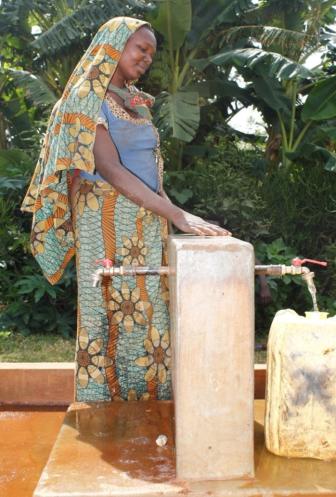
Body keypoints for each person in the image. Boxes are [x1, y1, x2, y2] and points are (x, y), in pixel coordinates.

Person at [21, 17, 230, 403]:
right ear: (115, 46)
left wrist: (175, 217)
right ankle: (106, 408)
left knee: (149, 312)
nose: (147, 58)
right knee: (115, 310)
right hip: (106, 222)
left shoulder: (134, 102)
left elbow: (152, 171)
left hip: (147, 223)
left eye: (151, 52)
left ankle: (151, 404)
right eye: (141, 49)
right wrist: (178, 214)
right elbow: (111, 169)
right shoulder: (88, 97)